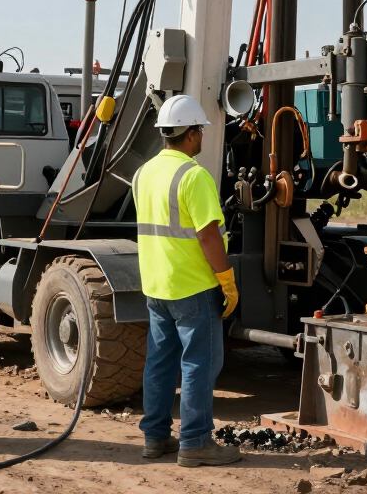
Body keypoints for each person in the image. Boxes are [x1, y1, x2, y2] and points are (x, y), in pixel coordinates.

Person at [133, 94, 241, 467]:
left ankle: (155, 437)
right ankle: (195, 442)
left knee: (160, 363)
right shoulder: (194, 176)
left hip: (156, 286)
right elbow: (209, 236)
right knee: (199, 363)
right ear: (192, 133)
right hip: (193, 286)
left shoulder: (143, 173)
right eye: (201, 131)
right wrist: (226, 280)